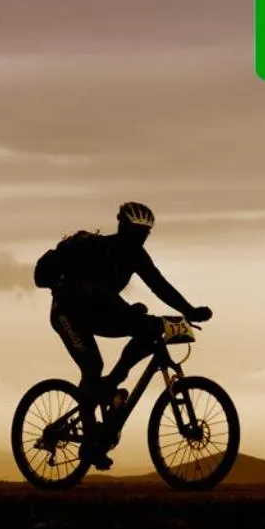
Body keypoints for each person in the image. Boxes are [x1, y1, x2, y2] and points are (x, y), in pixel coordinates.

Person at [43, 201, 212, 469]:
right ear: (122, 227)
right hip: (69, 313)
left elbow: (160, 286)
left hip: (99, 312)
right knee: (92, 366)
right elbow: (99, 293)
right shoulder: (98, 249)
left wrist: (189, 310)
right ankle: (89, 445)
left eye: (145, 234)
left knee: (148, 330)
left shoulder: (137, 256)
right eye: (136, 232)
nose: (140, 238)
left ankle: (110, 386)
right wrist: (130, 311)